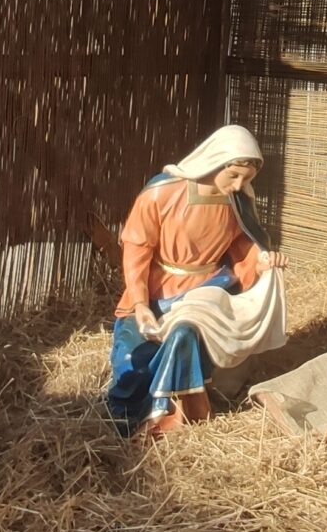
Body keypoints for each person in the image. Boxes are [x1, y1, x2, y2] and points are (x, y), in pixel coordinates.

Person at [107, 125, 289, 437]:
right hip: (155, 290)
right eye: (233, 175)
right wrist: (140, 303)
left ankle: (171, 416)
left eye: (246, 179)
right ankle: (129, 417)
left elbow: (244, 250)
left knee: (184, 335)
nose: (239, 185)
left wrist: (262, 263)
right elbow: (137, 249)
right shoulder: (162, 192)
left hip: (207, 292)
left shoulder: (236, 202)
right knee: (131, 358)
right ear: (215, 162)